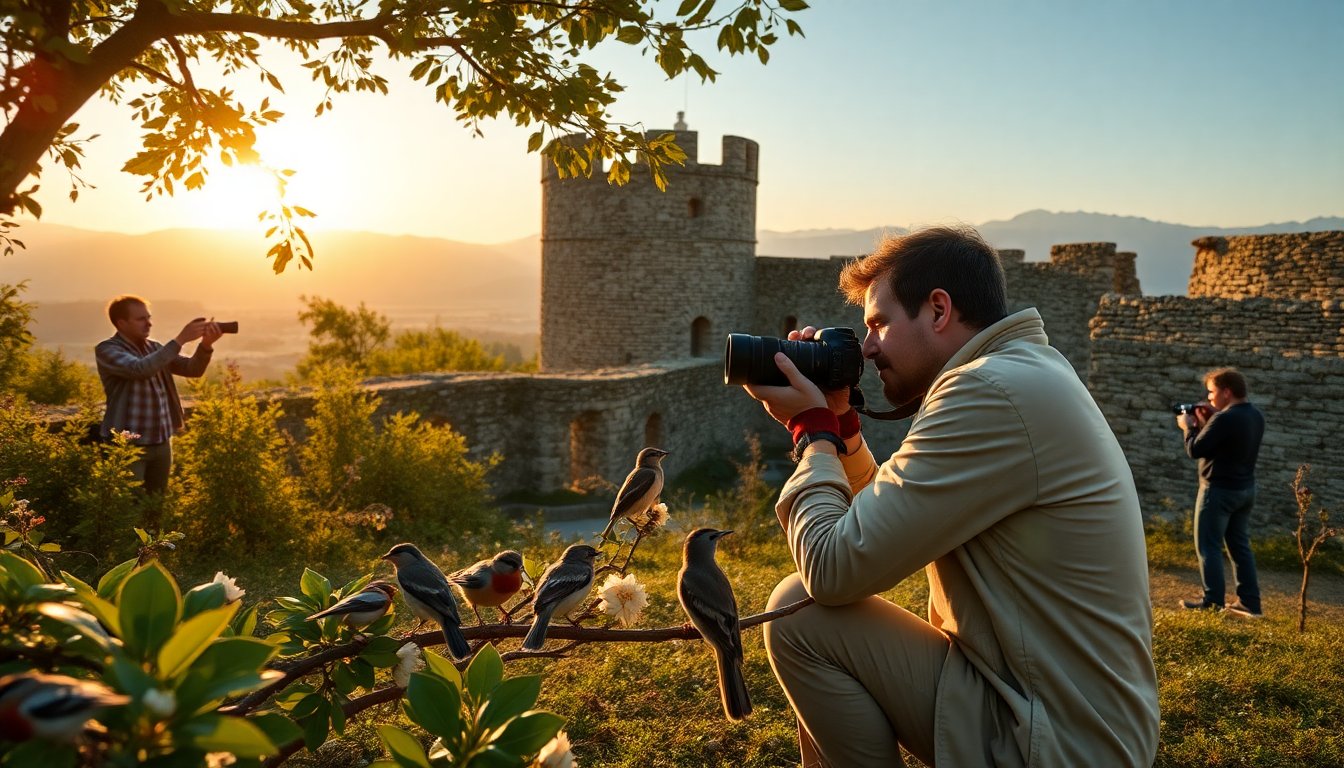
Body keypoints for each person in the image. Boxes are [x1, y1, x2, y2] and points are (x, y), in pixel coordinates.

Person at [742, 225, 1159, 766]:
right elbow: (892, 519)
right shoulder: (1022, 373)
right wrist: (842, 426)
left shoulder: (988, 391)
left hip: (1052, 741)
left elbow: (834, 567)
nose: (866, 348)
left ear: (938, 310)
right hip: (1058, 719)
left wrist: (812, 434)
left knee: (798, 615)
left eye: (879, 324)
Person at [95, 296, 223, 495]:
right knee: (128, 511)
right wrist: (180, 339)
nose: (149, 323)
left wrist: (206, 345)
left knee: (155, 508)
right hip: (128, 447)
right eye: (141, 319)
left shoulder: (155, 348)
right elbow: (139, 369)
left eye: (149, 317)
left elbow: (192, 369)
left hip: (161, 443)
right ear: (121, 323)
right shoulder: (107, 350)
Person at [1176, 367, 1265, 617]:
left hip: (1218, 491)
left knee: (1208, 547)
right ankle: (1250, 602)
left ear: (1227, 391)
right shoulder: (1255, 415)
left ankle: (1212, 601)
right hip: (1245, 490)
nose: (1209, 397)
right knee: (1240, 547)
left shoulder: (1224, 419)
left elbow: (1195, 450)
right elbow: (1227, 445)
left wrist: (1188, 427)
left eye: (1212, 392)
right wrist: (1210, 421)